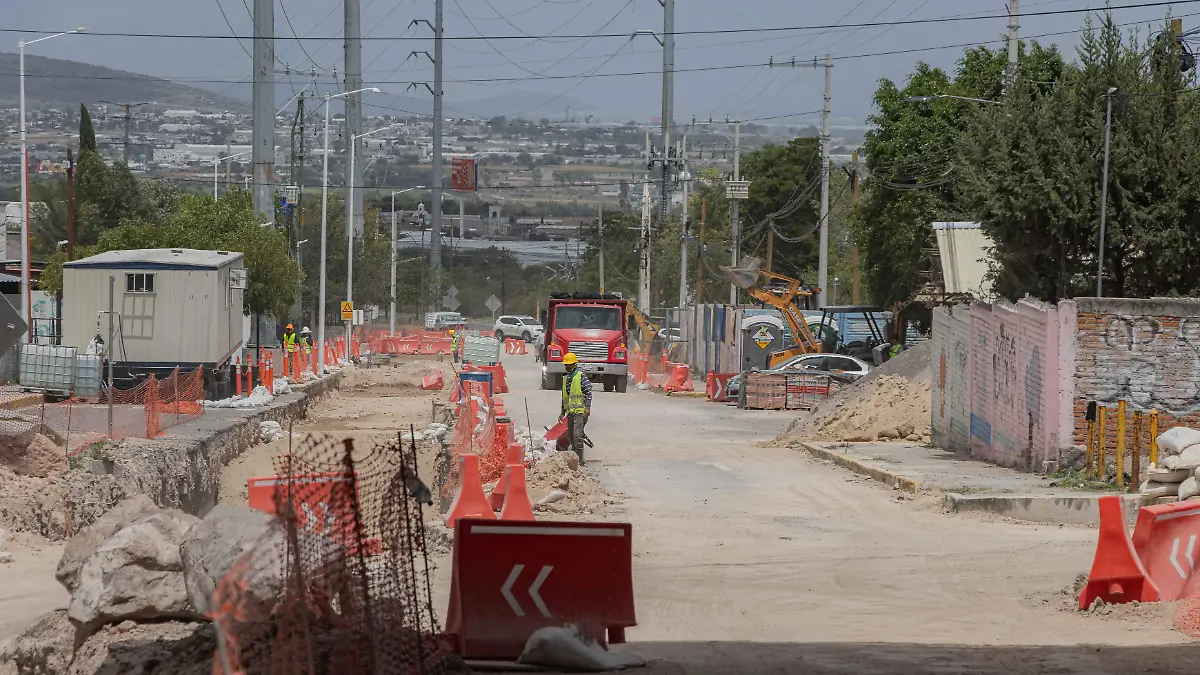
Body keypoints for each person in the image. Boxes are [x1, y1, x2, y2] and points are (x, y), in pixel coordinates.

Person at [560, 352, 592, 462]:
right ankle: (574, 458)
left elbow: (588, 392)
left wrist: (587, 408)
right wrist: (562, 412)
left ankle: (579, 460)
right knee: (571, 437)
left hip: (580, 411)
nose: (567, 366)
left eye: (569, 364)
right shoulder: (566, 379)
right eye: (566, 365)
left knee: (577, 435)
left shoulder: (581, 376)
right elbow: (565, 397)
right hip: (570, 412)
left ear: (574, 364)